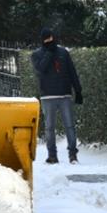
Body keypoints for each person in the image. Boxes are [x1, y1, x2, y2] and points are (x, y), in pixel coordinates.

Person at [30, 27, 82, 164]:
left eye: (51, 38)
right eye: (46, 39)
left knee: (70, 125)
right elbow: (41, 69)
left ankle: (73, 154)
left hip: (65, 94)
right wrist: (49, 52)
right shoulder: (37, 54)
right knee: (49, 127)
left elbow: (72, 72)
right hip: (48, 96)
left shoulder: (63, 53)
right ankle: (52, 155)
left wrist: (78, 90)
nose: (49, 41)